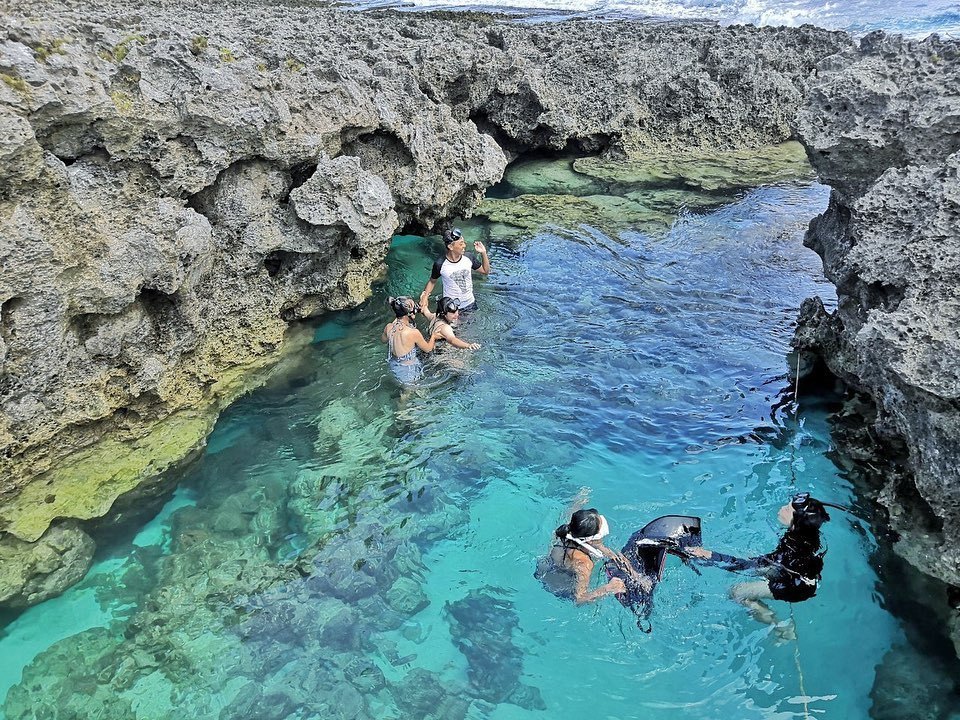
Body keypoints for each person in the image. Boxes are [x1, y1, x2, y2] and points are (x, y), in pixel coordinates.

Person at [685, 492, 832, 635]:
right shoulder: (807, 536)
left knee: (736, 592)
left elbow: (746, 567)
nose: (782, 509)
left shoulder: (791, 552)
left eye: (787, 509)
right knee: (756, 564)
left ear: (796, 524)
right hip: (799, 574)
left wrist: (710, 555)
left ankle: (780, 627)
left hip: (795, 587)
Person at [535, 508, 628, 604]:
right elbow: (579, 599)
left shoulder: (563, 534)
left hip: (543, 572)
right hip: (560, 590)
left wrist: (602, 548)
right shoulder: (584, 563)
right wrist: (608, 588)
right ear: (591, 540)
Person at [419, 228, 490, 312]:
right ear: (450, 246)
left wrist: (483, 252)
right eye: (461, 244)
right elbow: (432, 281)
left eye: (464, 242)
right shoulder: (440, 264)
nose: (464, 245)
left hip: (470, 303)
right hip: (450, 307)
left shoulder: (469, 258)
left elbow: (485, 271)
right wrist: (425, 296)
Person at [381, 296, 440, 385]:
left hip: (394, 365)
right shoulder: (413, 333)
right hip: (408, 369)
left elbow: (383, 340)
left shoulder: (389, 327)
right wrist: (433, 337)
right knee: (407, 393)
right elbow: (428, 349)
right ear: (408, 314)